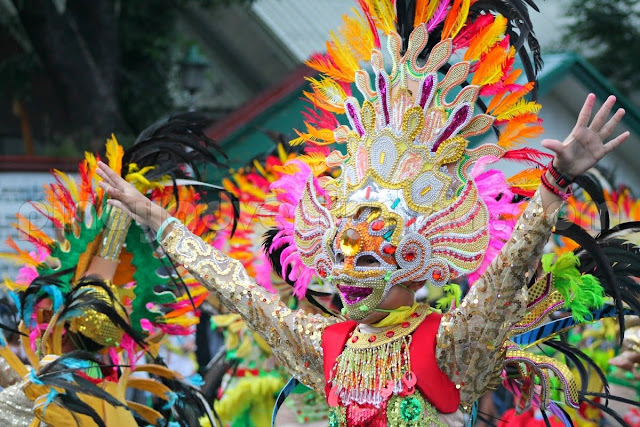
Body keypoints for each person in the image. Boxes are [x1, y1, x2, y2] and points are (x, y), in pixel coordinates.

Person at [97, 1, 632, 424]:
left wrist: (554, 185)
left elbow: (507, 271)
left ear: (413, 266)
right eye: (344, 256)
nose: (347, 279)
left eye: (368, 258)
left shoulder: (448, 342)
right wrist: (153, 214)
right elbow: (233, 285)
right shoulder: (325, 345)